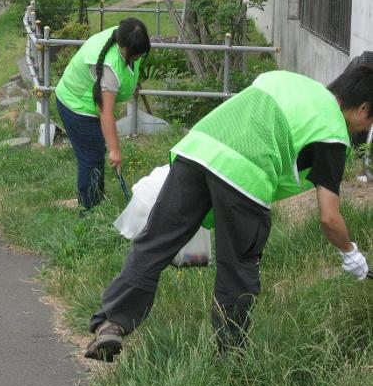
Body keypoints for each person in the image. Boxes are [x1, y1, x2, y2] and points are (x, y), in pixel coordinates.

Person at [84, 67, 373, 362]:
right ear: (363, 108)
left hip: (197, 149)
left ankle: (112, 324)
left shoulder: (292, 81)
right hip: (245, 174)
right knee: (238, 268)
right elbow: (329, 216)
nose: (365, 127)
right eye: (370, 119)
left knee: (153, 244)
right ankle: (230, 358)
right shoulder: (332, 131)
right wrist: (351, 253)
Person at [55, 18, 151, 211]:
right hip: (76, 104)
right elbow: (106, 112)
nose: (138, 58)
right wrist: (115, 150)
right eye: (135, 55)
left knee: (95, 153)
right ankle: (89, 210)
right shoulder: (109, 67)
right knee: (91, 157)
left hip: (87, 102)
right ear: (124, 47)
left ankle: (95, 199)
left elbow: (131, 67)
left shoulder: (127, 34)